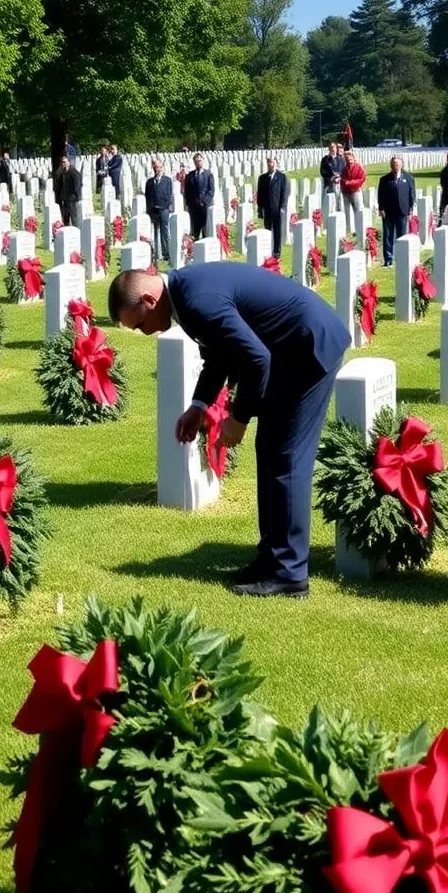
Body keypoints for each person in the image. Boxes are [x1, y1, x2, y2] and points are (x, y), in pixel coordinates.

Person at [107, 262, 351, 597]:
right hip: (288, 351)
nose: (144, 333)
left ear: (149, 301)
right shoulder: (184, 295)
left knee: (286, 458)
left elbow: (256, 359)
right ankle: (272, 558)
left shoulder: (196, 300)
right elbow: (219, 355)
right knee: (270, 451)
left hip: (308, 347)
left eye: (141, 324)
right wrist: (199, 406)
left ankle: (290, 573)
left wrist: (238, 418)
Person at [376, 155, 416, 267]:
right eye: (393, 164)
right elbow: (381, 195)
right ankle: (388, 259)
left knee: (402, 235)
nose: (395, 166)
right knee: (388, 236)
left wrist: (411, 209)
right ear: (391, 165)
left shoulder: (408, 178)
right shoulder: (384, 179)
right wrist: (381, 208)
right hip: (388, 212)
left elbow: (411, 194)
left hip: (403, 211)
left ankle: (401, 258)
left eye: (397, 164)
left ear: (401, 164)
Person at [256, 157, 289, 259]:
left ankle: (276, 251)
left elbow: (284, 193)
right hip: (267, 208)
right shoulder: (262, 178)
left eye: (272, 162)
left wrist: (283, 206)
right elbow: (260, 194)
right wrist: (260, 208)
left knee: (277, 230)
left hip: (277, 208)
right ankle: (267, 249)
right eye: (269, 162)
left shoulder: (281, 177)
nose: (271, 164)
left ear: (276, 163)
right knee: (267, 229)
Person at [144, 159, 174, 265]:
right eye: (155, 167)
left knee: (164, 231)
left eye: (159, 167)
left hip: (163, 209)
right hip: (153, 210)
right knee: (155, 231)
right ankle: (156, 253)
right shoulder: (149, 182)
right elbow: (147, 197)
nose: (157, 169)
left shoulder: (167, 180)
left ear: (162, 168)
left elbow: (169, 195)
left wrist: (163, 206)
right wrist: (149, 209)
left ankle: (166, 253)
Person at [183, 153, 214, 240]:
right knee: (195, 228)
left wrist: (204, 201)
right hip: (193, 206)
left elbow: (211, 190)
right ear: (194, 163)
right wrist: (189, 203)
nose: (198, 163)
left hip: (204, 205)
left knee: (205, 228)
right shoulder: (190, 175)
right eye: (196, 161)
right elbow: (187, 191)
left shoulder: (208, 174)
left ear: (203, 161)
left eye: (199, 161)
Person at [339, 148, 366, 235]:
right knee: (347, 212)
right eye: (346, 159)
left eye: (350, 159)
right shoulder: (344, 169)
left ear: (354, 159)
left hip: (356, 191)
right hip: (346, 193)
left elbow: (362, 179)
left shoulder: (358, 167)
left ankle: (359, 230)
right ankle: (348, 230)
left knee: (358, 210)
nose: (349, 161)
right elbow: (342, 179)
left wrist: (350, 183)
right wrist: (345, 182)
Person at [53, 155, 82, 227]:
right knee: (65, 220)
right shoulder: (63, 172)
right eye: (62, 162)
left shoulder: (74, 173)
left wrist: (78, 199)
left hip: (72, 200)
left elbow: (77, 187)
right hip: (65, 199)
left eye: (64, 162)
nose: (63, 164)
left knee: (74, 220)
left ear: (69, 162)